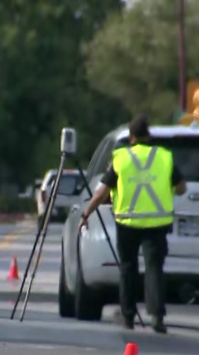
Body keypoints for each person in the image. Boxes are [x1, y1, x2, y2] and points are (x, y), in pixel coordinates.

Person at [78, 114, 187, 333]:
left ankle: (128, 316)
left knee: (128, 268)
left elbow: (102, 192)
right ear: (149, 136)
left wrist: (86, 214)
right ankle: (157, 317)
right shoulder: (164, 157)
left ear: (131, 138)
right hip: (157, 223)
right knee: (154, 268)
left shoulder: (120, 159)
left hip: (128, 222)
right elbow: (182, 188)